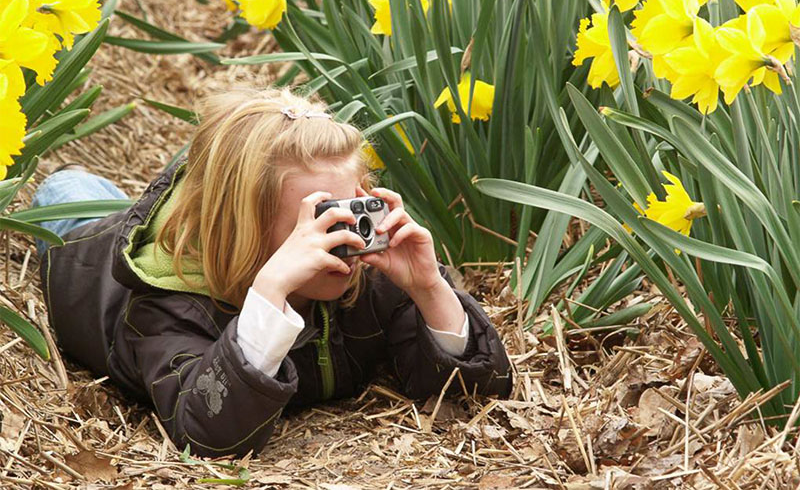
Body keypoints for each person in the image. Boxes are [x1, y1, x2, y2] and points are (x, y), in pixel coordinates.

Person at [33, 87, 513, 458]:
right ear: (242, 227)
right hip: (89, 263)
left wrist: (430, 290)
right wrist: (269, 296)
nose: (343, 240)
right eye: (319, 221)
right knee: (64, 192)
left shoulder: (371, 275)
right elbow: (205, 433)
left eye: (351, 210)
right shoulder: (168, 300)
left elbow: (474, 396)